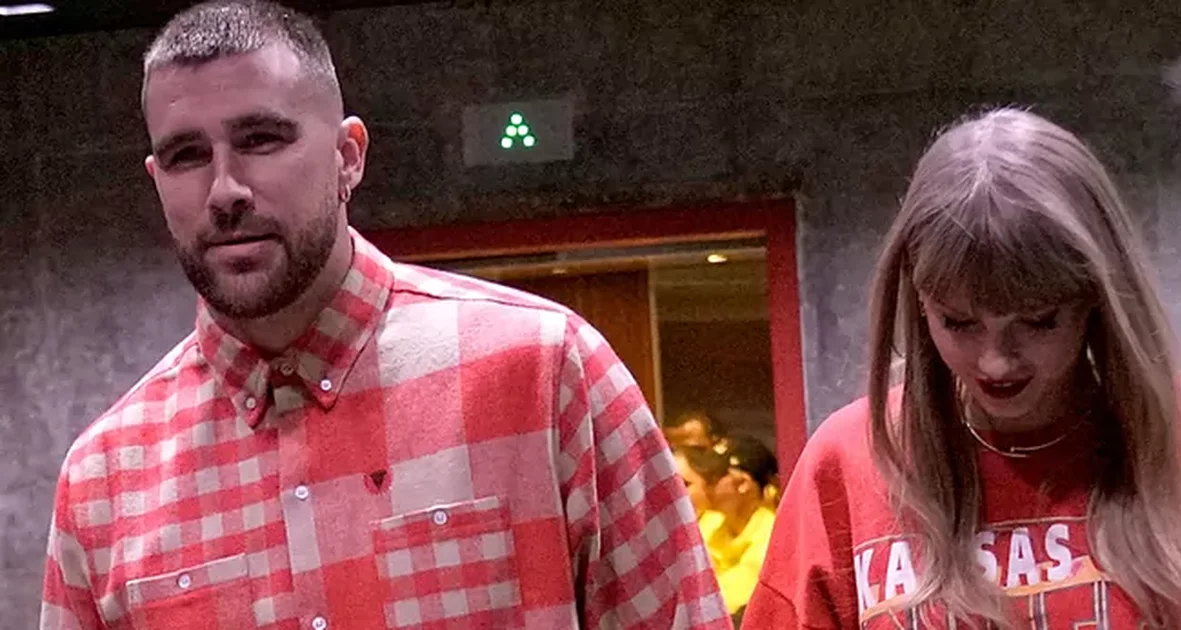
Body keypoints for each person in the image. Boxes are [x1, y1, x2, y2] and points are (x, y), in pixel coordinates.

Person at [38, 2, 731, 628]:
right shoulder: (106, 480)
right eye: (186, 155)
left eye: (262, 139)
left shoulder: (545, 374)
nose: (224, 190)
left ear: (349, 157)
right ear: (157, 181)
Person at [742, 108, 1181, 629]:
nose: (996, 360)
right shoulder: (846, 462)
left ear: (1095, 296)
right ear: (919, 300)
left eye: (1038, 320)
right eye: (959, 322)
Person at [704, 435, 777, 620]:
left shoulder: (772, 539)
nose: (705, 484)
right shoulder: (709, 524)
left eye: (713, 477)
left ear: (742, 484)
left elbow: (723, 605)